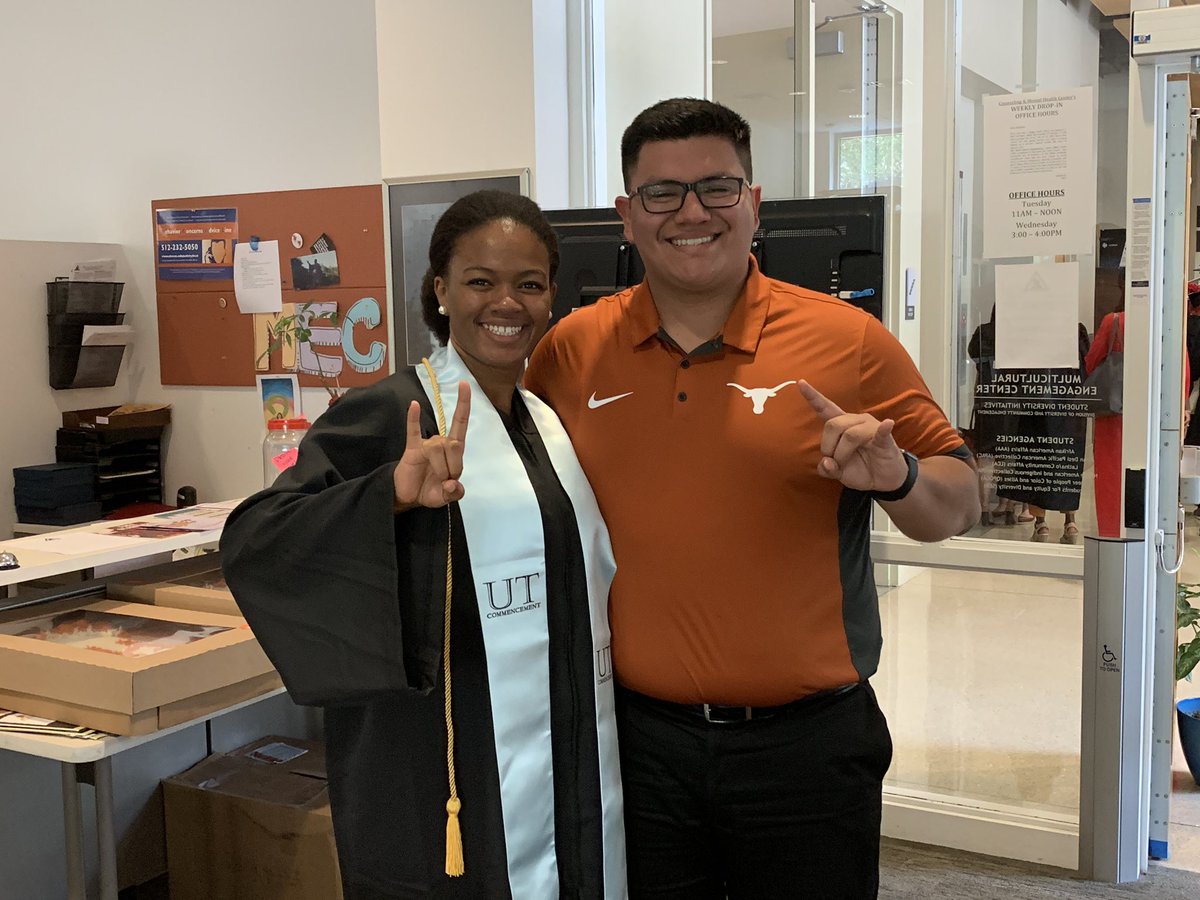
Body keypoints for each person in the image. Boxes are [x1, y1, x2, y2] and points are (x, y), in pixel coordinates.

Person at [524, 98, 979, 899]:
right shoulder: (571, 351)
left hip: (807, 751)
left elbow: (960, 500)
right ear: (626, 216)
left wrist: (899, 477)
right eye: (662, 193)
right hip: (635, 746)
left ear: (755, 203)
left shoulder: (848, 342)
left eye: (717, 188)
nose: (691, 212)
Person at [221, 191, 626, 899]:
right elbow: (258, 541)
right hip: (440, 760)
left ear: (551, 297)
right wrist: (388, 495)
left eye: (528, 284)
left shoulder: (543, 421)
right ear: (440, 290)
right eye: (480, 281)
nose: (507, 302)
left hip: (561, 747)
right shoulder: (392, 413)